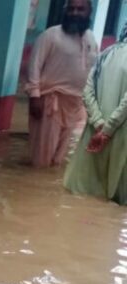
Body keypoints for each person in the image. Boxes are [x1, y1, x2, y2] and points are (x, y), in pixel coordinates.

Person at [25, 0, 98, 168]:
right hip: (50, 102)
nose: (75, 13)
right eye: (71, 9)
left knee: (59, 158)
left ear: (89, 12)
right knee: (42, 157)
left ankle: (47, 189)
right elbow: (34, 66)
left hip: (75, 105)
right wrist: (34, 96)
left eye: (80, 9)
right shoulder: (51, 35)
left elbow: (92, 70)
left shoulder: (90, 38)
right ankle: (37, 184)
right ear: (65, 11)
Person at [64, 25, 127, 205]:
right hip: (120, 134)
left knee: (84, 193)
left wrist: (99, 124)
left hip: (94, 132)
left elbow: (87, 92)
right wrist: (108, 130)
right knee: (114, 202)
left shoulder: (105, 54)